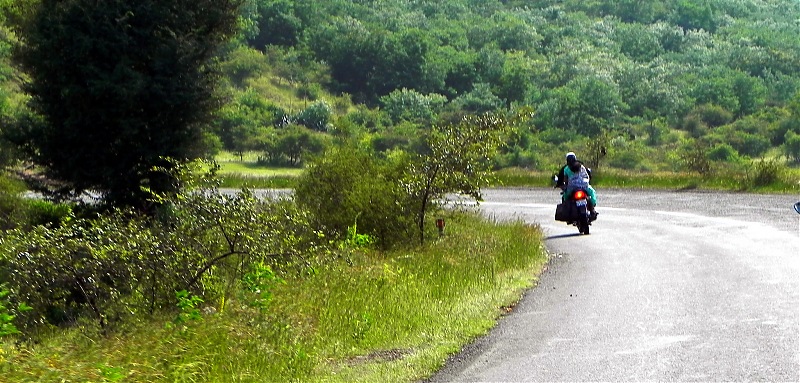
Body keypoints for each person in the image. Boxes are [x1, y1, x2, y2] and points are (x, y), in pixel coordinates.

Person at [556, 152, 598, 219]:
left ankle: (567, 212)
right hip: (584, 186)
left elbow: (565, 180)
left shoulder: (566, 169)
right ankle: (592, 210)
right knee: (592, 192)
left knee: (565, 197)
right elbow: (587, 175)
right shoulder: (581, 166)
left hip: (572, 188)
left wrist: (565, 186)